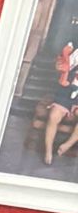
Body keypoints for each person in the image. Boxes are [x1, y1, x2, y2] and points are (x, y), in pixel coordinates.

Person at [39, 36, 78, 164]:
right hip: (65, 91)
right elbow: (60, 65)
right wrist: (58, 66)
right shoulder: (73, 49)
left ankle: (67, 145)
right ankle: (48, 151)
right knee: (54, 115)